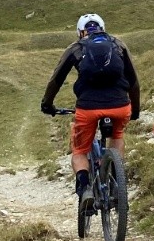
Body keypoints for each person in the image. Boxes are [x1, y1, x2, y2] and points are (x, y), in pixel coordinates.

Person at [42, 14, 140, 205]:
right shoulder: (118, 44)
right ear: (103, 27)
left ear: (80, 32)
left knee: (79, 150)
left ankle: (85, 188)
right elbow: (134, 81)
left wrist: (47, 104)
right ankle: (116, 182)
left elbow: (56, 80)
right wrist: (135, 109)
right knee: (117, 136)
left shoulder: (76, 48)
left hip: (88, 108)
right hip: (120, 106)